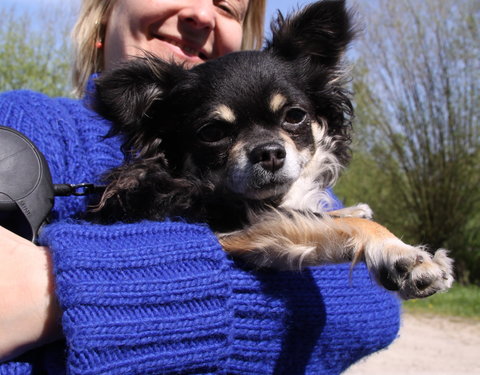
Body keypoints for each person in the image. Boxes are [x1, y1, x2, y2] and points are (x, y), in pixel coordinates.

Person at [0, 1, 401, 374]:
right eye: (214, 131)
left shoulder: (297, 181)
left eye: (227, 6)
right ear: (105, 9)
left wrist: (57, 289)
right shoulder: (27, 121)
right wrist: (322, 243)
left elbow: (374, 304)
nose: (201, 14)